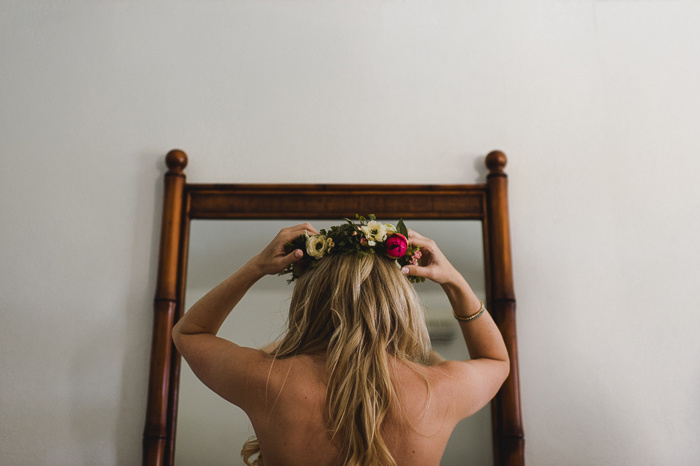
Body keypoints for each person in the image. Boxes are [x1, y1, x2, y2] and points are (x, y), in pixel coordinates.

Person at [172, 217, 509, 466]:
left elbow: (189, 332)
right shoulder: (439, 389)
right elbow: (497, 361)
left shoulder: (268, 379)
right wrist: (454, 282)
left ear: (311, 300)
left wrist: (256, 267)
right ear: (398, 304)